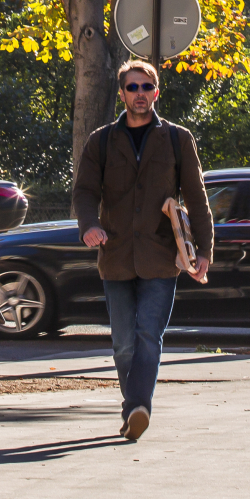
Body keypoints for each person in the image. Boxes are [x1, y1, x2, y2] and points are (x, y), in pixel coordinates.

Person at [73, 61, 212, 443]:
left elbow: (196, 198)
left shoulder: (177, 139)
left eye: (146, 87)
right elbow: (84, 192)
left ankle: (138, 408)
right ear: (121, 93)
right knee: (123, 343)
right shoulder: (101, 141)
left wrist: (204, 250)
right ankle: (133, 406)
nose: (139, 93)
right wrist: (89, 226)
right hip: (115, 254)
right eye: (132, 87)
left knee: (149, 335)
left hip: (161, 255)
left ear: (156, 92)